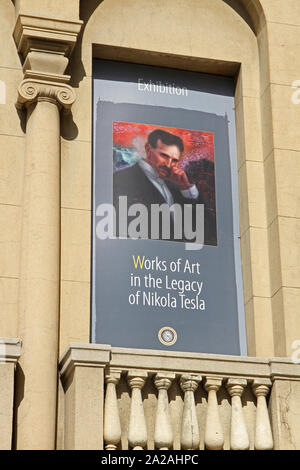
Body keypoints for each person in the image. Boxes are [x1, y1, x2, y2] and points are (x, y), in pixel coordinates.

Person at [113, 129, 216, 244]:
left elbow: (207, 231)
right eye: (164, 156)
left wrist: (186, 188)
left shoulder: (176, 185)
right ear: (148, 149)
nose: (168, 164)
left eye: (174, 160)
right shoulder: (121, 179)